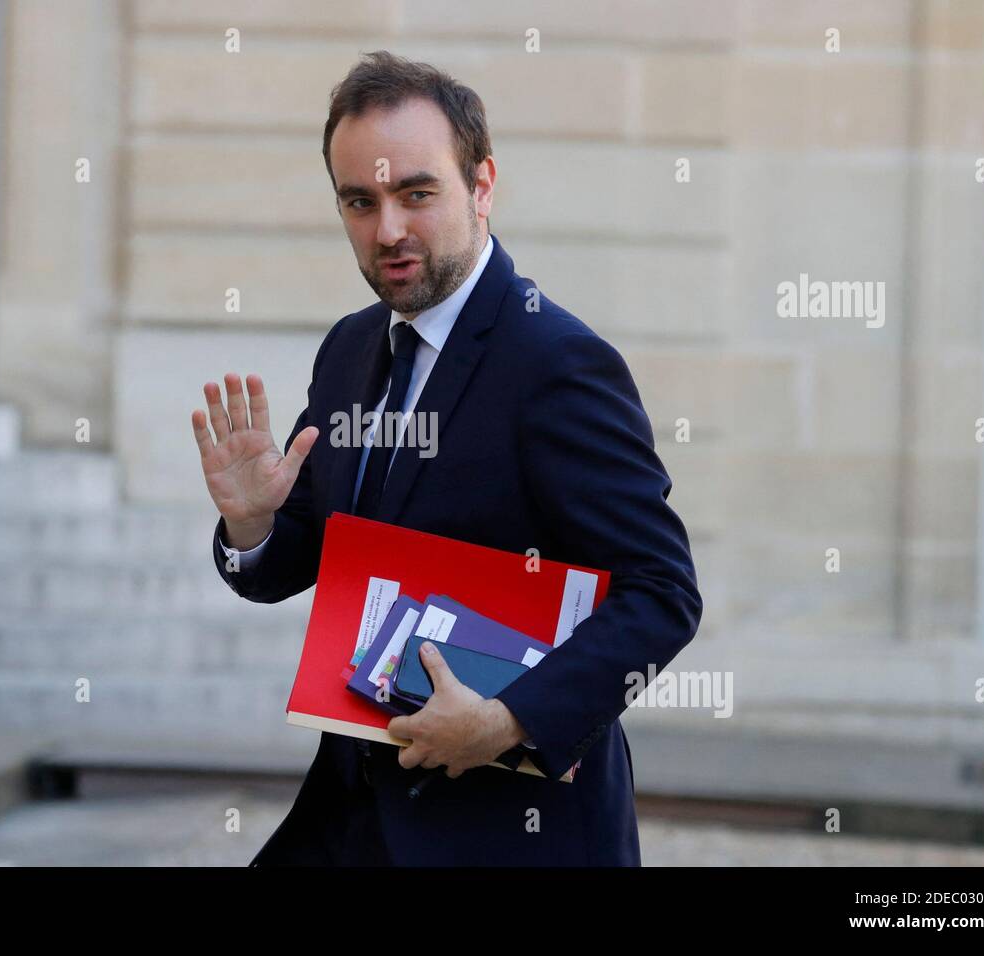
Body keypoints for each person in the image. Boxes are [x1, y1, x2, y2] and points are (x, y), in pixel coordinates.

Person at [190, 51, 702, 866]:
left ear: (482, 186)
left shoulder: (558, 363)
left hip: (510, 834)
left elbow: (664, 594)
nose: (387, 229)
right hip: (349, 822)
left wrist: (507, 721)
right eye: (360, 202)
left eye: (415, 194)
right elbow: (314, 552)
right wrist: (252, 527)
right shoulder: (350, 350)